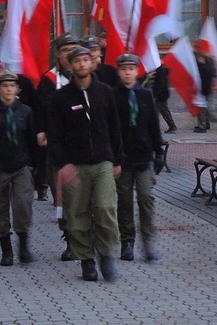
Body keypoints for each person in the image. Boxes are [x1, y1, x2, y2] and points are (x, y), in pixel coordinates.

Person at [48, 46, 122, 282]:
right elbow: (55, 136)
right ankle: (87, 260)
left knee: (104, 208)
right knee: (76, 214)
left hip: (103, 162)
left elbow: (115, 129)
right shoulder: (61, 97)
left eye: (85, 60)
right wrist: (63, 164)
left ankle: (107, 255)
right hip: (75, 164)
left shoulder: (106, 92)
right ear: (70, 65)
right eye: (77, 61)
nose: (82, 65)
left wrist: (117, 160)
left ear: (92, 63)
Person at [0, 70, 39, 267]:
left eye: (12, 86)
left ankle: (23, 245)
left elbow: (32, 141)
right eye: (4, 86)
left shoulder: (25, 111)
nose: (8, 89)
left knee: (23, 203)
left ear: (17, 88)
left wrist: (34, 166)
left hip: (21, 165)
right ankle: (6, 248)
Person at [114, 52, 166, 262]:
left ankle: (148, 240)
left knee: (146, 199)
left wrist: (159, 152)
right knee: (124, 202)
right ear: (119, 72)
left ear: (137, 72)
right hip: (122, 158)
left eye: (131, 69)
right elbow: (110, 128)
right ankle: (127, 242)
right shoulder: (113, 95)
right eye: (124, 69)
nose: (128, 73)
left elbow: (154, 125)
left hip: (143, 157)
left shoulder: (145, 95)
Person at [36, 33, 78, 259]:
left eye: (74, 50)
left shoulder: (87, 78)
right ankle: (70, 237)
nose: (70, 55)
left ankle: (83, 237)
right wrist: (41, 131)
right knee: (60, 195)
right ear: (58, 55)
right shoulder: (49, 80)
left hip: (82, 148)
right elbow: (41, 111)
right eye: (65, 50)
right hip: (57, 148)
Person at [146, 65, 177, 134]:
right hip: (163, 94)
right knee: (164, 110)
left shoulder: (160, 70)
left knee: (155, 112)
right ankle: (172, 126)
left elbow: (160, 84)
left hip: (160, 94)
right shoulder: (162, 69)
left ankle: (156, 129)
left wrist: (155, 95)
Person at [194, 44, 216, 133]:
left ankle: (202, 126)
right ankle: (206, 123)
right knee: (204, 108)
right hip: (207, 89)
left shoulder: (204, 68)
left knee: (201, 109)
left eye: (199, 58)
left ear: (203, 59)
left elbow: (201, 79)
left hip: (203, 89)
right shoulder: (209, 66)